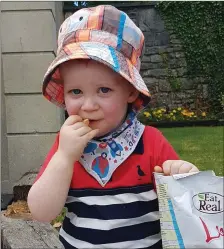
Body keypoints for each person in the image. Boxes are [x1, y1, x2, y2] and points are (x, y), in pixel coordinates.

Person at [28, 5, 199, 249]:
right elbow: (41, 212)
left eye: (104, 90)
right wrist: (65, 158)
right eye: (76, 91)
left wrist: (184, 177)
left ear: (130, 90)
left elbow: (184, 209)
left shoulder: (150, 142)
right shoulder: (66, 145)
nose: (88, 105)